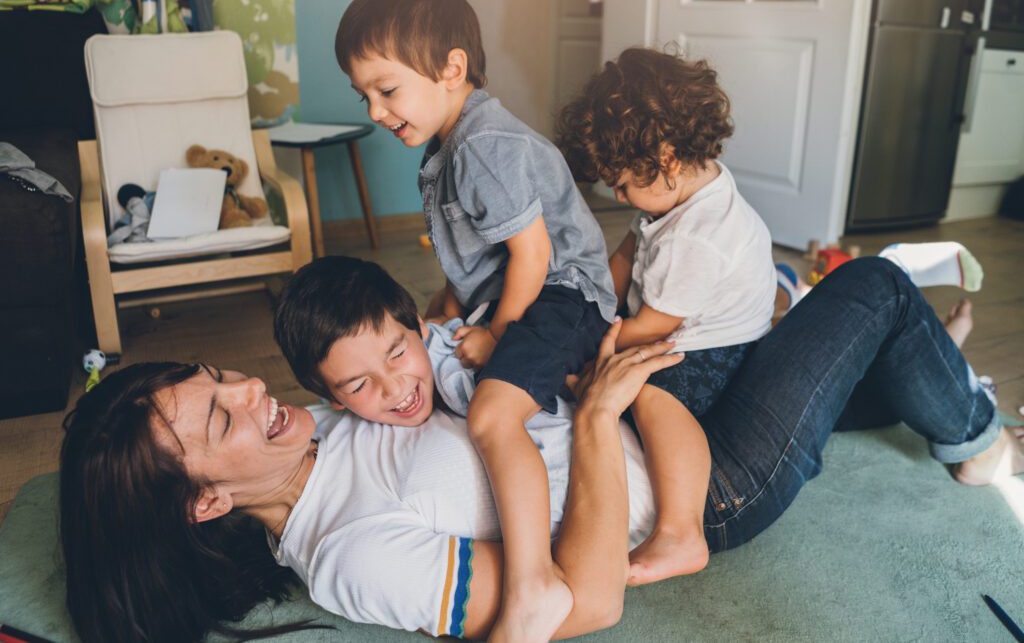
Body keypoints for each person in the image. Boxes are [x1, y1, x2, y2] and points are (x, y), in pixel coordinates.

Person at [60, 257, 1020, 643]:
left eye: (219, 378)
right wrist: (599, 418)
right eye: (223, 418)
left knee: (772, 329)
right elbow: (582, 598)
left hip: (646, 411)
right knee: (877, 290)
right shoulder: (351, 554)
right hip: (705, 482)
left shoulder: (338, 428)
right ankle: (981, 440)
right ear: (205, 503)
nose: (250, 390)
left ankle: (922, 365)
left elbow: (434, 353)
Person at [334, 0, 618, 640]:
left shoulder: (484, 147)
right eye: (364, 94)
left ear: (451, 68)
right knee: (446, 361)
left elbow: (533, 258)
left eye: (387, 89)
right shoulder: (447, 144)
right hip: (523, 288)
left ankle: (532, 587)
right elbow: (473, 257)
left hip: (563, 295)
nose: (374, 110)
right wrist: (447, 310)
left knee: (492, 411)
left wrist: (494, 332)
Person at [555, 47, 777, 584]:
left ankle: (681, 532)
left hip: (710, 345)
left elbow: (654, 329)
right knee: (595, 366)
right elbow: (628, 256)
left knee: (651, 392)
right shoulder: (673, 193)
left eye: (624, 183)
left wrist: (596, 349)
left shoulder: (699, 237)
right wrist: (590, 301)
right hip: (674, 316)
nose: (618, 192)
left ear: (668, 161)